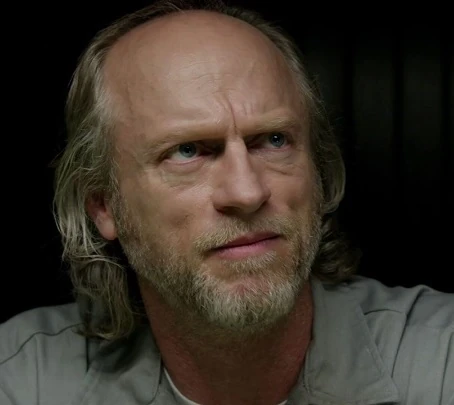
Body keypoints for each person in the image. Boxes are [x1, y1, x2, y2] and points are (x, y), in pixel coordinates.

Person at [1, 0, 452, 404]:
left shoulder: (440, 358)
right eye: (187, 151)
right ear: (103, 205)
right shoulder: (22, 378)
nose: (247, 192)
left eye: (274, 140)